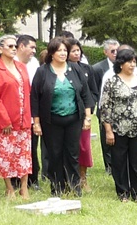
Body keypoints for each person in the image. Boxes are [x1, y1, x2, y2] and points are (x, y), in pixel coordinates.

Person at [31, 36, 93, 197]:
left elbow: (85, 94)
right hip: (51, 120)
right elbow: (35, 98)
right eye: (59, 50)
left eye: (65, 50)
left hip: (74, 119)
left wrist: (87, 118)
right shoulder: (42, 71)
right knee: (55, 154)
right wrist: (36, 123)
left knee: (72, 153)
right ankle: (58, 187)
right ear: (52, 53)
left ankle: (75, 187)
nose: (63, 53)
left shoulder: (75, 69)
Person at [98, 45, 137, 202]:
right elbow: (105, 108)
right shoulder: (112, 82)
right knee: (119, 162)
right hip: (118, 129)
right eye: (129, 61)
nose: (132, 64)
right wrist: (108, 131)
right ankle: (123, 192)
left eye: (134, 61)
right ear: (121, 63)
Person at [0, 34, 34, 199]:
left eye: (15, 46)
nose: (14, 49)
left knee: (24, 155)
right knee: (6, 155)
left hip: (23, 119)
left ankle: (24, 188)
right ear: (0, 49)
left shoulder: (21, 67)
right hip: (5, 122)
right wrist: (5, 121)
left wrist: (29, 116)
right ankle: (9, 188)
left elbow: (27, 92)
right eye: (10, 46)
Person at [68, 39, 97, 187]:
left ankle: (83, 177)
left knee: (84, 147)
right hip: (68, 113)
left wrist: (89, 111)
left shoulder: (87, 69)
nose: (76, 53)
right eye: (73, 51)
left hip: (84, 115)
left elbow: (93, 92)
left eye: (78, 50)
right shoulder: (62, 69)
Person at [15, 34, 41, 191]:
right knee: (15, 148)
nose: (34, 51)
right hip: (15, 113)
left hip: (31, 112)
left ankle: (33, 179)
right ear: (21, 46)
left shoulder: (34, 63)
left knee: (31, 147)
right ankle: (15, 180)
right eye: (31, 47)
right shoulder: (11, 63)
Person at [92, 39, 119, 172]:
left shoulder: (124, 65)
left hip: (120, 108)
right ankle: (109, 165)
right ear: (106, 52)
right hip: (104, 107)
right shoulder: (98, 68)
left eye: (117, 50)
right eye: (112, 51)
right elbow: (95, 89)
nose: (115, 53)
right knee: (106, 136)